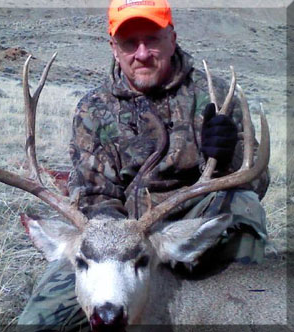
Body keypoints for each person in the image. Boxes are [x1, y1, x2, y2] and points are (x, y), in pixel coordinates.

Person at [18, 0, 270, 330]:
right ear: (113, 48)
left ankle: (244, 306)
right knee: (36, 323)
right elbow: (93, 196)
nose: (141, 53)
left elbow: (258, 181)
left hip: (186, 226)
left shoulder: (215, 96)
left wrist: (228, 159)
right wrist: (125, 238)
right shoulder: (94, 109)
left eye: (152, 39)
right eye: (128, 43)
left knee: (243, 204)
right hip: (113, 243)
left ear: (172, 38)